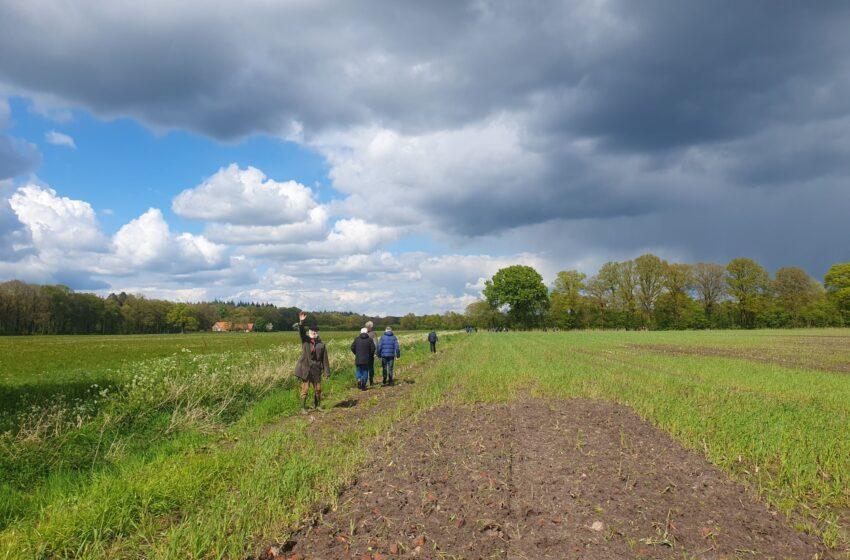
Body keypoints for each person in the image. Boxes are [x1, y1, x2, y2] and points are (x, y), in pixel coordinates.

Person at [293, 311, 330, 412]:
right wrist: (301, 322)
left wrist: (327, 372)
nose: (314, 332)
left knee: (318, 389)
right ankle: (302, 408)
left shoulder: (322, 344)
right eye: (312, 330)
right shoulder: (305, 340)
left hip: (316, 369)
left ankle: (317, 405)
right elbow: (301, 331)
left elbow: (325, 360)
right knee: (305, 389)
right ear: (309, 331)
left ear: (318, 332)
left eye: (316, 331)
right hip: (306, 368)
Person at [365, 321, 378, 386]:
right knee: (371, 367)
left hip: (363, 354)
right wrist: (375, 353)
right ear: (371, 326)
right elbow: (375, 344)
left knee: (364, 368)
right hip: (370, 354)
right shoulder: (373, 334)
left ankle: (365, 381)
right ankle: (371, 381)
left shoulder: (362, 333)